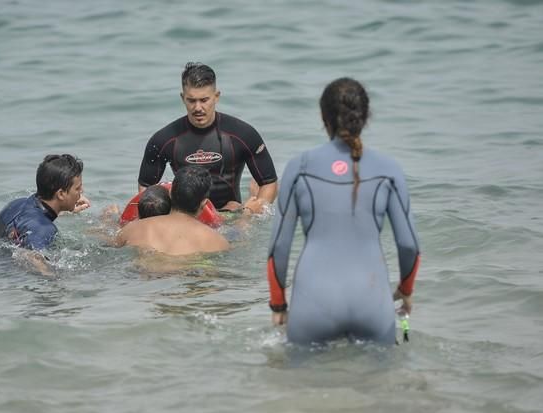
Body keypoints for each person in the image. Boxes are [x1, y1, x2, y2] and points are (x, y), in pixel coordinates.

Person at [266, 77, 420, 345]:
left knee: (296, 386)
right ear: (366, 116)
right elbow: (409, 246)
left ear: (323, 117)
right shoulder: (389, 168)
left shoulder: (298, 167)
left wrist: (278, 306)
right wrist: (405, 291)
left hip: (313, 304)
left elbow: (279, 247)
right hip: (372, 303)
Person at [137, 62, 278, 214]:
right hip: (187, 219)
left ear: (216, 97)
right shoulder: (163, 140)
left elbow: (269, 183)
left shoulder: (243, 134)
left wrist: (252, 213)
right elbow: (146, 190)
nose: (198, 108)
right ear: (182, 98)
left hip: (230, 218)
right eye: (191, 100)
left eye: (204, 100)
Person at [118, 166, 229, 255]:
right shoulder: (217, 242)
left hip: (144, 275)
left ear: (170, 193)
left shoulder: (133, 229)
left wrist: (106, 219)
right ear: (204, 203)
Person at [0, 153, 90, 251]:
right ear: (61, 194)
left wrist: (64, 208)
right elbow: (33, 258)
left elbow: (31, 220)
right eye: (77, 188)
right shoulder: (45, 229)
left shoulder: (16, 204)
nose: (82, 191)